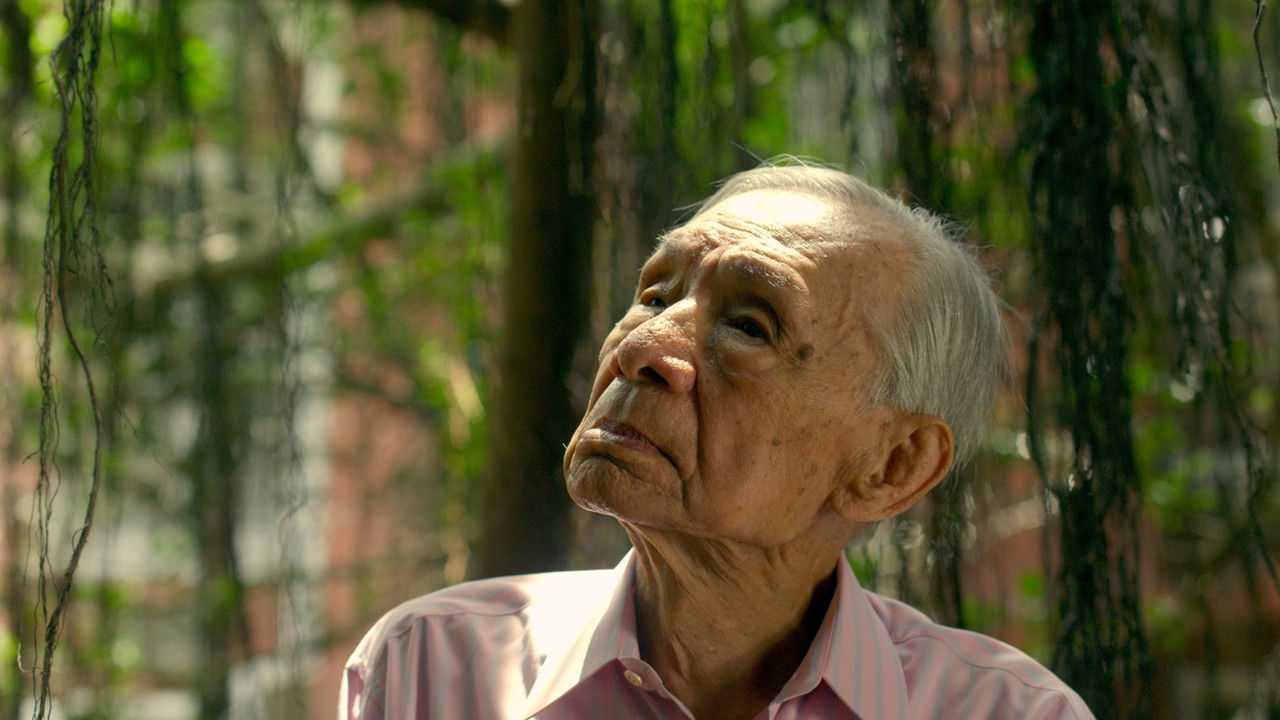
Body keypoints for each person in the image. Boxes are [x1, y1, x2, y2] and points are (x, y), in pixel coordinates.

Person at [339, 162, 1095, 720]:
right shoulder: (430, 673)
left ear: (892, 464)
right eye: (655, 294)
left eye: (748, 326)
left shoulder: (1005, 712)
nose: (643, 348)